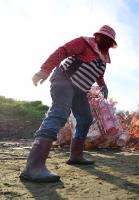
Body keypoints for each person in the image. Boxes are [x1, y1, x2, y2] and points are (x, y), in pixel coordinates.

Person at [20, 25, 118, 182]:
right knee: (59, 113)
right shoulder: (84, 43)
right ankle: (34, 167)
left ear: (111, 43)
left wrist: (103, 86)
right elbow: (62, 51)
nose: (105, 41)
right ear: (97, 36)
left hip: (79, 91)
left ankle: (76, 155)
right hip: (64, 80)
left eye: (109, 40)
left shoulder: (103, 60)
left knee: (85, 118)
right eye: (103, 38)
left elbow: (99, 75)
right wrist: (44, 70)